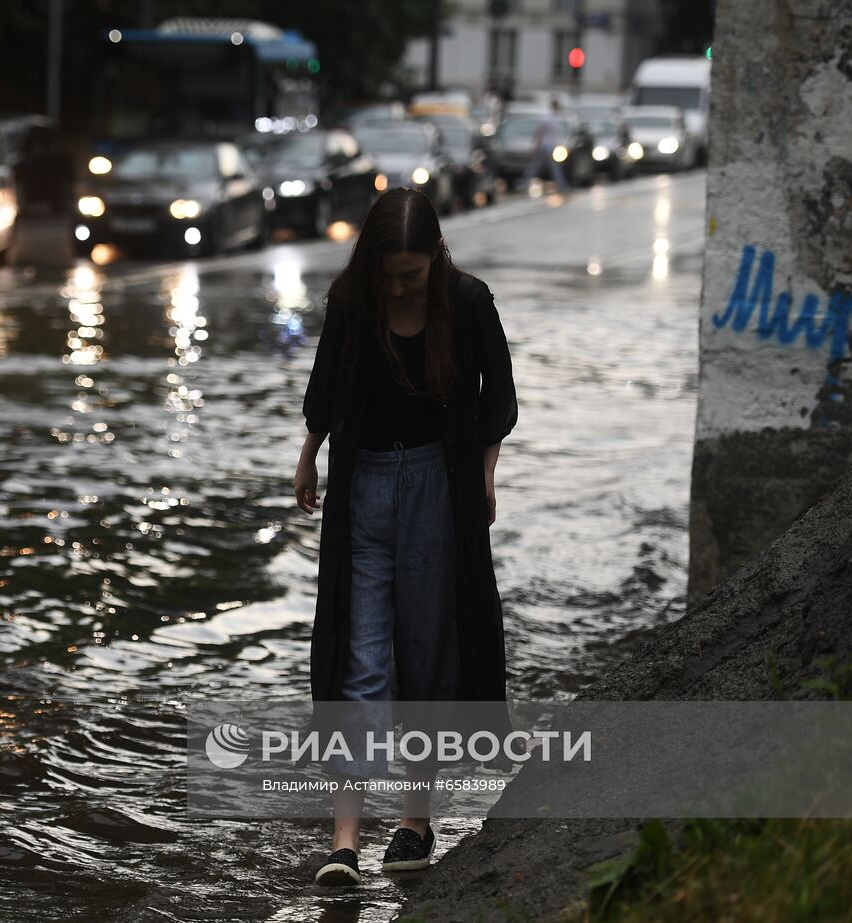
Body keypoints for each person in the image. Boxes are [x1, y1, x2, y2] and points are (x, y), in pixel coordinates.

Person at [293, 186, 518, 887]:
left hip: (436, 491)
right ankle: (344, 839)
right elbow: (325, 393)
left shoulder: (468, 302)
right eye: (388, 272)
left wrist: (485, 474)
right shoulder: (352, 301)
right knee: (359, 660)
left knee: (426, 652)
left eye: (411, 275)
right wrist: (307, 456)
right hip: (360, 490)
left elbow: (498, 401)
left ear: (434, 259)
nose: (398, 286)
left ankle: (415, 819)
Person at [519, 99, 569, 193]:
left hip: (550, 145)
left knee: (537, 166)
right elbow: (539, 132)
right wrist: (536, 145)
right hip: (546, 146)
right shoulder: (547, 117)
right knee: (553, 166)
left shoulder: (554, 117)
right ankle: (561, 185)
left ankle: (523, 182)